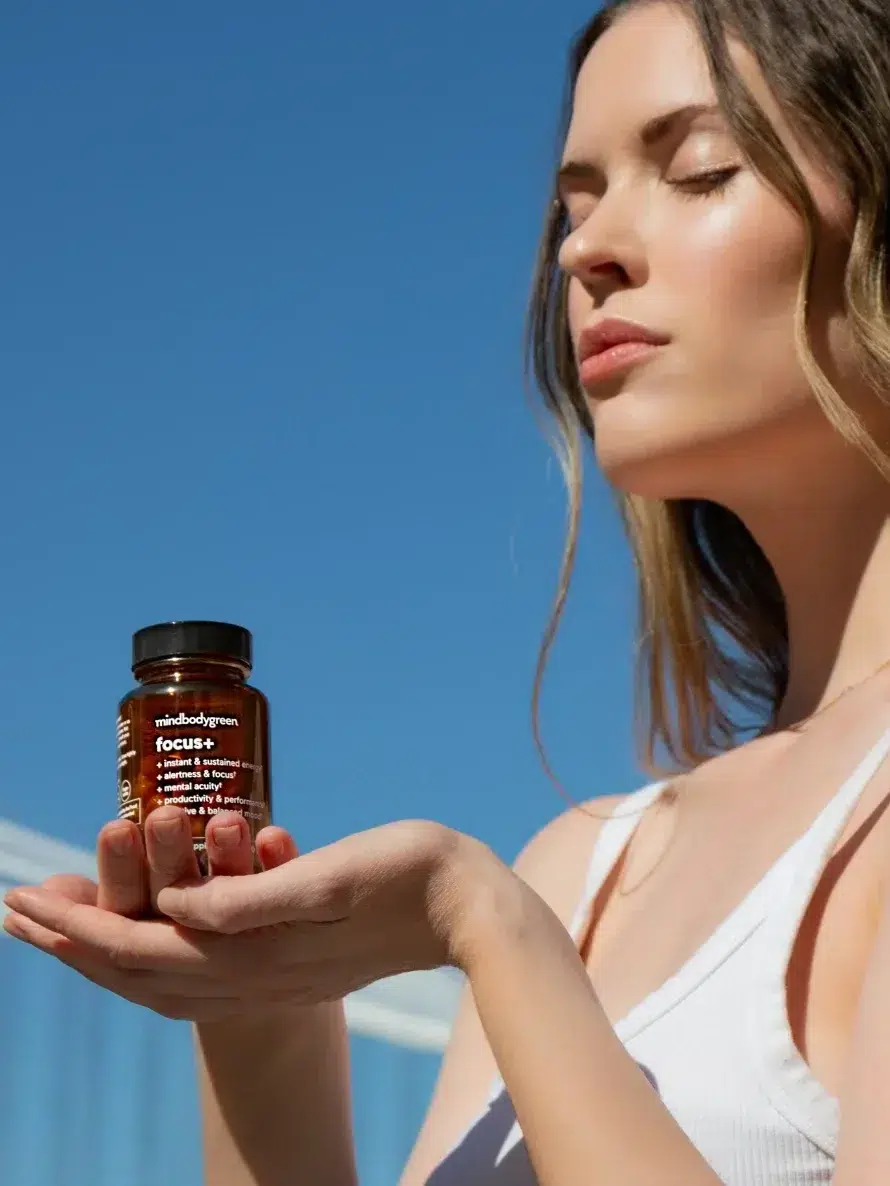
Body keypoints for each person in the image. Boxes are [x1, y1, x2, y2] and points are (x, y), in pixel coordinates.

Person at [6, 0, 890, 1181]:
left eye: (695, 169)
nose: (583, 250)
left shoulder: (519, 909)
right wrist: (264, 1004)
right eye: (572, 206)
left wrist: (483, 927)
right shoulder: (582, 867)